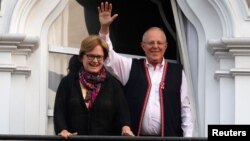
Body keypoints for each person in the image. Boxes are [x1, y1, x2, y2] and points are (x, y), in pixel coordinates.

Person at [98, 2, 193, 137]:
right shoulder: (130, 67)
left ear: (165, 46)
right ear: (143, 46)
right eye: (150, 43)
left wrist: (187, 138)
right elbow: (109, 57)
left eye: (159, 43)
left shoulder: (177, 72)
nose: (155, 46)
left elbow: (185, 108)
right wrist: (104, 29)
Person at [53, 35, 134, 139]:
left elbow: (123, 114)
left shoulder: (113, 84)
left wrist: (126, 128)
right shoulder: (67, 83)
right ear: (82, 57)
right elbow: (59, 112)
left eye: (99, 57)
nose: (95, 61)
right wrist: (63, 130)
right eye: (91, 56)